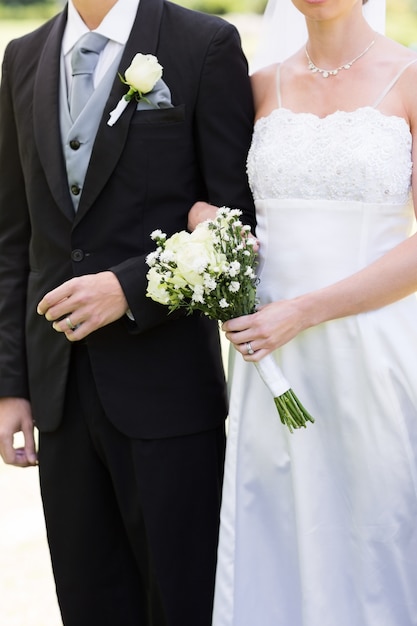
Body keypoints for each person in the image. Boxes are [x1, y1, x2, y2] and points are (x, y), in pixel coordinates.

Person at [0, 1, 255, 624]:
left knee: (182, 600)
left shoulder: (206, 44)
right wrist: (10, 385)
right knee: (87, 602)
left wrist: (130, 288)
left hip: (167, 386)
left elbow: (235, 220)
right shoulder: (22, 57)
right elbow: (14, 236)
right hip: (58, 388)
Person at [210, 0, 417, 624]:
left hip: (374, 352)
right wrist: (210, 237)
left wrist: (304, 310)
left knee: (377, 532)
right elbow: (216, 206)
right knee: (275, 531)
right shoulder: (254, 88)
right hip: (269, 359)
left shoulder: (408, 77)